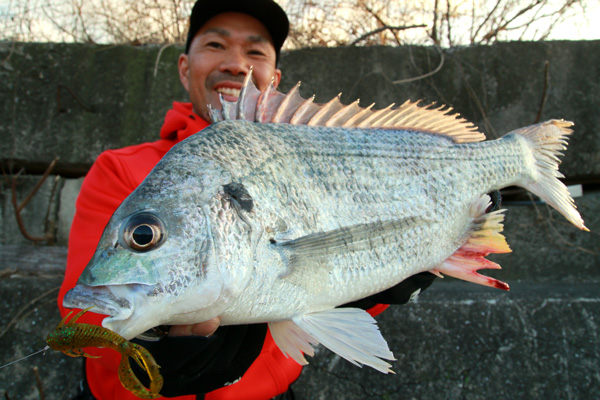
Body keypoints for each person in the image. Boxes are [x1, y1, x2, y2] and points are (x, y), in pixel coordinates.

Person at [57, 1, 436, 399]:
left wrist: (382, 286)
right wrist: (153, 339)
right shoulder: (120, 168)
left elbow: (332, 289)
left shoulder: (321, 152)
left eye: (255, 51)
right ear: (185, 67)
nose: (236, 64)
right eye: (216, 44)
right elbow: (87, 317)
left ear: (274, 77)